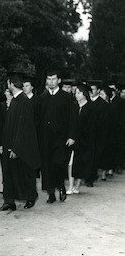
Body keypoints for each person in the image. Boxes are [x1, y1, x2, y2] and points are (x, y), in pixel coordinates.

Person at [0, 73, 40, 212]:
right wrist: (3, 144)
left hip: (19, 147)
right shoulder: (15, 100)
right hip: (9, 145)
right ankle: (9, 202)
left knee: (24, 173)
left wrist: (16, 148)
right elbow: (8, 126)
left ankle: (30, 197)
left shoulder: (23, 101)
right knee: (8, 174)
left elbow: (23, 128)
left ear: (11, 84)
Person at [37, 69, 77, 204]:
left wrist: (71, 136)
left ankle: (60, 186)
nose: (51, 82)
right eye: (48, 79)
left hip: (61, 139)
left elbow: (73, 118)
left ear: (59, 80)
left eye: (53, 79)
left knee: (58, 164)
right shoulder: (42, 98)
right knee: (47, 166)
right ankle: (50, 193)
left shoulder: (66, 98)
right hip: (45, 139)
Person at [70, 83, 96, 194]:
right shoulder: (74, 106)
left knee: (80, 163)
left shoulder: (90, 108)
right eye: (76, 93)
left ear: (84, 94)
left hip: (84, 141)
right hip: (73, 140)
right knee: (71, 163)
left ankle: (77, 185)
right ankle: (71, 186)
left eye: (79, 93)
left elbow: (91, 127)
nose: (77, 95)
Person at [87, 80, 110, 186]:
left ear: (98, 90)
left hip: (97, 136)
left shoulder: (103, 105)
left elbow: (104, 123)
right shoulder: (86, 102)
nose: (91, 91)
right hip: (86, 135)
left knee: (94, 157)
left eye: (93, 89)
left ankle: (91, 177)